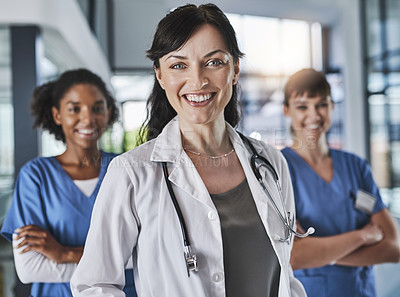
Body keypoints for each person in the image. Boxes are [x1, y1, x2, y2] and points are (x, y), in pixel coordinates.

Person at [70, 4, 307, 297]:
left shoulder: (271, 163)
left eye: (214, 62)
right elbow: (93, 285)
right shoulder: (132, 174)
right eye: (178, 65)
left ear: (235, 70)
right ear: (160, 76)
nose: (197, 80)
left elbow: (285, 274)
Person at [0, 69, 137, 297]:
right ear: (57, 115)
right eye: (75, 109)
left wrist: (64, 253)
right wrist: (114, 260)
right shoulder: (36, 176)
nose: (88, 118)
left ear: (109, 111)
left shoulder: (128, 169)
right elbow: (30, 269)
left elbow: (149, 251)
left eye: (97, 108)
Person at [281, 68, 400, 297]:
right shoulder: (281, 169)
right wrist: (362, 236)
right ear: (287, 110)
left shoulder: (356, 167)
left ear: (332, 107)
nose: (314, 115)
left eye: (322, 105)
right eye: (303, 106)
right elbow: (294, 256)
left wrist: (321, 252)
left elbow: (393, 247)